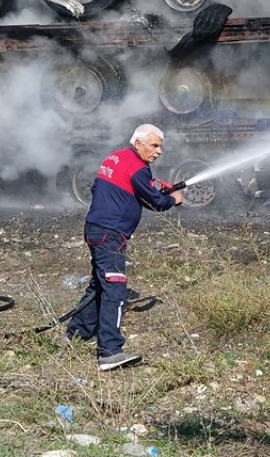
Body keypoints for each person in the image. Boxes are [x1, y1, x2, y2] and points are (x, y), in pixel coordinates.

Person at [66, 123, 184, 371]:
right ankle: (109, 351)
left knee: (99, 284)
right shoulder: (138, 169)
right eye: (154, 145)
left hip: (96, 229)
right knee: (115, 290)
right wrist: (172, 198)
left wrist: (159, 193)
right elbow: (157, 203)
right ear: (138, 143)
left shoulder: (115, 158)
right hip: (110, 234)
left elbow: (133, 194)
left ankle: (76, 335)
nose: (159, 151)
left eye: (160, 146)